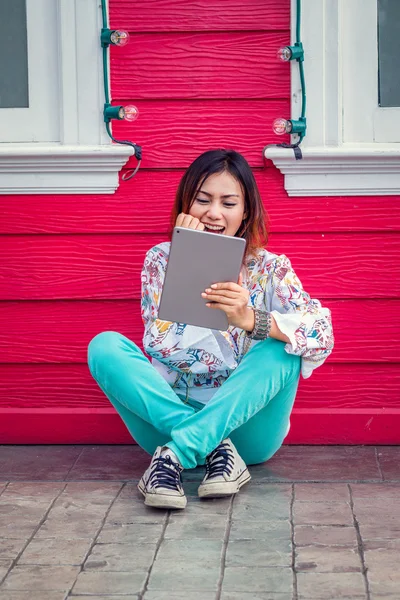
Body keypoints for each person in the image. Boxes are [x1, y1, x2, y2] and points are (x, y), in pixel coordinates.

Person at [87, 149, 334, 510]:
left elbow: (321, 334)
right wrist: (189, 263)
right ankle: (209, 447)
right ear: (187, 203)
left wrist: (251, 320)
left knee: (282, 347)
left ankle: (178, 454)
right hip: (167, 418)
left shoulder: (270, 269)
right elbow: (160, 344)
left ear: (245, 210)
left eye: (228, 202)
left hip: (248, 431)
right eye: (203, 200)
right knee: (104, 346)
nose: (214, 212)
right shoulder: (161, 259)